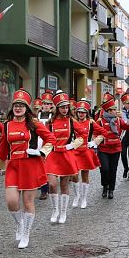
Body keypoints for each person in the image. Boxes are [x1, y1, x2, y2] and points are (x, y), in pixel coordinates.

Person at [0, 89, 55, 249]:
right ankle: (19, 224)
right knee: (11, 202)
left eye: (21, 105)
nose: (18, 108)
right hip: (13, 166)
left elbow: (51, 138)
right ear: (12, 107)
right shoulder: (7, 125)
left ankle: (26, 233)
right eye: (16, 105)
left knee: (28, 202)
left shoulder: (33, 123)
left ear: (26, 108)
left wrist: (41, 151)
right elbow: (3, 146)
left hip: (30, 165)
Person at [44, 90, 83, 224]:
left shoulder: (71, 121)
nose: (65, 109)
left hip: (66, 155)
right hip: (53, 155)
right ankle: (55, 210)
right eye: (62, 107)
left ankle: (64, 212)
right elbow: (45, 138)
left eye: (66, 107)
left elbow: (82, 135)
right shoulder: (50, 122)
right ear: (57, 108)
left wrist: (73, 145)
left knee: (64, 184)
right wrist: (44, 151)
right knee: (52, 184)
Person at [70, 99, 106, 209]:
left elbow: (103, 132)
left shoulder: (91, 123)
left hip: (85, 151)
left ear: (87, 113)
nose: (81, 114)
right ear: (76, 112)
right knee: (74, 175)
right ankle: (77, 196)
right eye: (79, 112)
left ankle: (84, 198)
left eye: (83, 112)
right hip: (74, 151)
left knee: (85, 175)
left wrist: (94, 142)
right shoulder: (72, 122)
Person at [96, 96, 129, 199]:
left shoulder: (118, 120)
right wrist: (97, 140)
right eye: (112, 110)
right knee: (104, 169)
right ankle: (105, 186)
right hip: (103, 149)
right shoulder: (100, 121)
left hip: (116, 149)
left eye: (115, 109)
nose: (114, 111)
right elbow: (95, 133)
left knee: (113, 170)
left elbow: (127, 126)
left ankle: (111, 189)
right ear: (108, 111)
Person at [37, 91, 54, 200]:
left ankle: (47, 188)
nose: (46, 106)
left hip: (49, 143)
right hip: (38, 142)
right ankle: (43, 187)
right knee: (39, 166)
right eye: (44, 104)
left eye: (48, 104)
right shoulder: (36, 115)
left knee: (47, 167)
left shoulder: (54, 116)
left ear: (51, 105)